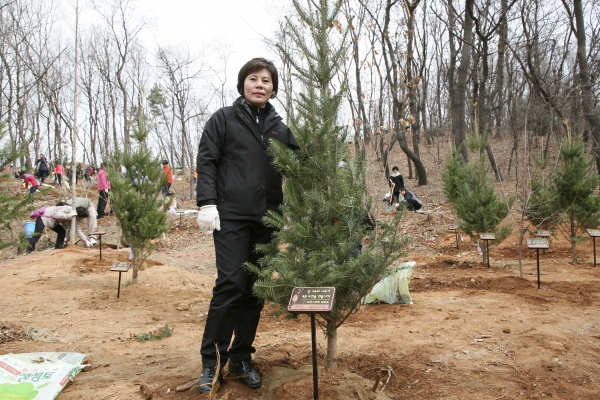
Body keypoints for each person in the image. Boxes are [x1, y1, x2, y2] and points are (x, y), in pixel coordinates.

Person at [195, 57, 299, 393]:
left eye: (266, 80)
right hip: (230, 217)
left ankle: (240, 358)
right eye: (253, 78)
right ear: (243, 84)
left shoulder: (280, 129)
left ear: (273, 88)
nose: (259, 85)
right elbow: (207, 161)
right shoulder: (223, 120)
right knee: (230, 283)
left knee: (255, 288)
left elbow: (300, 167)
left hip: (267, 218)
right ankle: (211, 362)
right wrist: (206, 202)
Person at [27, 205, 91, 253]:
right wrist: (69, 215)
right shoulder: (68, 209)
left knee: (62, 232)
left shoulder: (75, 219)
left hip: (53, 222)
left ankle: (58, 247)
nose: (81, 219)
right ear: (78, 215)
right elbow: (57, 215)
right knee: (37, 235)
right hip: (44, 217)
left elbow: (78, 230)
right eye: (82, 217)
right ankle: (29, 250)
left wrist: (85, 240)